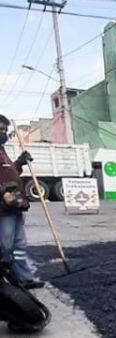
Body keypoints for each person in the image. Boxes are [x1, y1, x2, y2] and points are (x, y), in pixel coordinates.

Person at [0, 114, 43, 289]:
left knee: (18, 244)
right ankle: (6, 281)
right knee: (6, 245)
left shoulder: (2, 151)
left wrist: (19, 162)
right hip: (3, 207)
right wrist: (3, 190)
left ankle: (23, 277)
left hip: (14, 204)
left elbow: (11, 173)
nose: (3, 132)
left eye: (5, 130)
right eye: (0, 129)